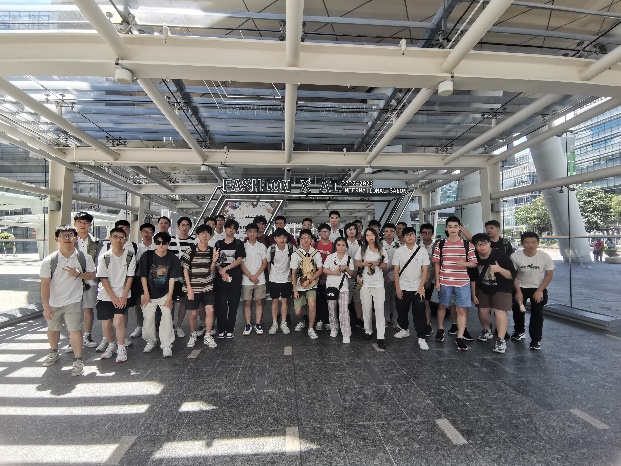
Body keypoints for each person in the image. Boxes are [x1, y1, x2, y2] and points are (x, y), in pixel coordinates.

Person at [40, 225, 96, 376]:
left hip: (73, 300)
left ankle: (78, 360)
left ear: (75, 238)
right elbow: (45, 285)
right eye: (63, 235)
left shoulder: (83, 257)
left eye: (70, 235)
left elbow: (92, 275)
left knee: (74, 330)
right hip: (54, 302)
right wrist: (46, 306)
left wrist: (78, 274)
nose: (67, 238)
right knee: (53, 329)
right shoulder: (49, 261)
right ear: (56, 239)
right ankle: (53, 352)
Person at [432, 216, 477, 351]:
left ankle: (460, 336)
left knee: (461, 309)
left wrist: (464, 264)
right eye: (450, 226)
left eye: (455, 226)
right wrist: (437, 280)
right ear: (446, 228)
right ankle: (440, 329)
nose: (452, 229)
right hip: (445, 280)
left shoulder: (467, 245)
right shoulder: (440, 244)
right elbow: (437, 263)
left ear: (459, 228)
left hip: (462, 282)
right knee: (442, 305)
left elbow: (474, 263)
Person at [469, 233, 517, 354]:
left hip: (502, 287)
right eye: (478, 244)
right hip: (483, 287)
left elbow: (512, 275)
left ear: (489, 243)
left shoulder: (500, 255)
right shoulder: (474, 257)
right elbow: (473, 277)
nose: (482, 247)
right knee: (482, 310)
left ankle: (500, 340)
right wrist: (473, 294)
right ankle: (486, 331)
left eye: (484, 243)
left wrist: (499, 269)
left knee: (500, 311)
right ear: (475, 246)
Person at [95, 227, 136, 362]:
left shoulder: (130, 256)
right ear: (110, 238)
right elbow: (103, 279)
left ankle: (121, 348)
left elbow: (130, 277)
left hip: (122, 295)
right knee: (106, 324)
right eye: (115, 237)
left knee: (118, 321)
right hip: (105, 295)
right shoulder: (104, 257)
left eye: (121, 237)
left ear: (125, 239)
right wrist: (113, 297)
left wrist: (123, 296)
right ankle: (111, 345)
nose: (118, 240)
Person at [139, 231, 182, 357]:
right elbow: (143, 276)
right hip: (148, 293)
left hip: (165, 293)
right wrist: (146, 294)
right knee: (148, 319)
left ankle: (167, 345)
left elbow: (172, 279)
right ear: (154, 243)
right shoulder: (147, 256)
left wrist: (169, 298)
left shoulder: (173, 258)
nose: (161, 245)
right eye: (158, 242)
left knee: (167, 317)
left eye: (164, 242)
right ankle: (151, 341)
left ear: (168, 244)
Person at [511, 232, 555, 350]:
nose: (531, 245)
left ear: (538, 243)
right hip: (520, 286)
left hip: (538, 287)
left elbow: (549, 275)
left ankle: (535, 340)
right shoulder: (515, 256)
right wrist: (518, 291)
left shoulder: (545, 257)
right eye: (527, 242)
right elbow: (513, 275)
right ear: (522, 243)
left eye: (534, 242)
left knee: (537, 313)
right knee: (517, 309)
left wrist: (540, 290)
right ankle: (519, 331)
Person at [181, 224, 218, 349]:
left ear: (211, 236)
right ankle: (193, 335)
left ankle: (208, 335)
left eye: (207, 233)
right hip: (193, 287)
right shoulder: (190, 250)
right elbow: (185, 270)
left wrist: (214, 261)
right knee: (193, 313)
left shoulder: (212, 250)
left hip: (207, 286)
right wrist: (189, 289)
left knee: (210, 310)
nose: (204, 235)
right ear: (197, 235)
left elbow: (211, 271)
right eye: (202, 233)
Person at [393, 226, 430, 350]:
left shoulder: (422, 251)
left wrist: (421, 287)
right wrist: (397, 288)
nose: (410, 237)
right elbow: (396, 270)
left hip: (417, 288)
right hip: (403, 287)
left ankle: (421, 337)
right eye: (407, 235)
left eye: (412, 234)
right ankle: (404, 329)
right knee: (401, 311)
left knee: (419, 313)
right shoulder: (399, 251)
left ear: (415, 236)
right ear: (403, 237)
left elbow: (425, 270)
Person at [354, 227, 389, 349]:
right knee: (366, 308)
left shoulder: (381, 249)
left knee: (379, 309)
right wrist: (365, 263)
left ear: (376, 236)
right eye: (368, 235)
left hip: (378, 284)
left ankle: (381, 336)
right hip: (365, 283)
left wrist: (378, 263)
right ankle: (368, 331)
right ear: (365, 237)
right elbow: (357, 262)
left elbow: (385, 265)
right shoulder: (363, 249)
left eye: (372, 235)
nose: (370, 237)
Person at [73, 211, 102, 350]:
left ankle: (87, 336)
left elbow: (99, 261)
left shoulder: (97, 243)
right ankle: (73, 339)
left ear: (90, 225)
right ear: (75, 224)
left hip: (91, 280)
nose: (83, 225)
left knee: (88, 308)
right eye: (80, 222)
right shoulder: (70, 240)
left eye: (86, 222)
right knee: (73, 310)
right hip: (73, 280)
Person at [214, 219, 246, 338]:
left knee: (233, 303)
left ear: (236, 230)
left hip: (235, 277)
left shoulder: (238, 243)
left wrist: (226, 268)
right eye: (229, 228)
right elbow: (216, 260)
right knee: (221, 303)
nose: (231, 230)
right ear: (225, 228)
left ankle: (230, 329)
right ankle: (221, 329)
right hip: (220, 278)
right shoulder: (218, 243)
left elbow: (239, 260)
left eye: (233, 228)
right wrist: (221, 271)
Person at [291, 229, 323, 339]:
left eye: (308, 238)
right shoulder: (295, 254)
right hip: (299, 285)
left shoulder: (316, 253)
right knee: (297, 311)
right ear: (300, 240)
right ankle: (302, 321)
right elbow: (294, 272)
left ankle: (311, 328)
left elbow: (320, 270)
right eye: (303, 238)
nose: (305, 240)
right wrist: (295, 290)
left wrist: (310, 280)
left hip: (312, 284)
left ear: (311, 240)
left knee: (312, 304)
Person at [323, 237, 354, 343]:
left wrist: (346, 268)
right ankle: (334, 328)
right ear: (335, 246)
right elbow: (324, 269)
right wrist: (333, 273)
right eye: (339, 245)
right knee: (331, 309)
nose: (341, 247)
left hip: (343, 288)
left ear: (346, 247)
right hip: (331, 286)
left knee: (344, 311)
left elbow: (352, 274)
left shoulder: (349, 259)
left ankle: (346, 333)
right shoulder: (330, 257)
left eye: (343, 245)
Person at [169, 216, 196, 338]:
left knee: (184, 302)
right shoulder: (171, 241)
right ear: (178, 226)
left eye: (187, 225)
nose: (185, 227)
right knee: (170, 301)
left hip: (186, 277)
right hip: (172, 278)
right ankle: (170, 325)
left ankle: (179, 326)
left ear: (190, 227)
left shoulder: (193, 242)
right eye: (182, 225)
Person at [129, 223, 156, 339]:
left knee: (155, 302)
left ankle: (154, 326)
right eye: (144, 231)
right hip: (139, 279)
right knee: (139, 303)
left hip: (154, 279)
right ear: (141, 233)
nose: (147, 234)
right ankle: (140, 326)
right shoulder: (136, 247)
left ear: (153, 233)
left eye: (149, 231)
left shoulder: (157, 246)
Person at [241, 223, 268, 335]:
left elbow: (264, 263)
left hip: (260, 279)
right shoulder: (242, 246)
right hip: (246, 279)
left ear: (257, 233)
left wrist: (256, 276)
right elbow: (241, 264)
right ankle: (248, 324)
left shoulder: (262, 246)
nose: (252, 233)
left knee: (259, 301)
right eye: (250, 231)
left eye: (254, 231)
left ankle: (257, 323)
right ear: (246, 233)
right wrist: (250, 276)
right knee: (247, 302)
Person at [267, 228, 294, 334]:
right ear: (275, 239)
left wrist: (292, 274)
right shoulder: (271, 249)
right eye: (279, 237)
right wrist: (270, 274)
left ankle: (283, 323)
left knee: (284, 300)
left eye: (284, 237)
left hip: (286, 279)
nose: (282, 239)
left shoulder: (291, 248)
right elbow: (268, 262)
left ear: (287, 238)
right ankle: (274, 323)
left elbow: (295, 262)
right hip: (274, 278)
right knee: (274, 300)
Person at [314, 223, 333, 331]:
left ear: (330, 233)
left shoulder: (334, 245)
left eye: (326, 231)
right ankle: (319, 320)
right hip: (317, 277)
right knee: (319, 299)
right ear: (319, 233)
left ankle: (328, 320)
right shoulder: (315, 245)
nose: (324, 233)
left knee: (329, 300)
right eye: (322, 231)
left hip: (330, 278)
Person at [381, 222, 400, 329]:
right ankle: (385, 319)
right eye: (387, 231)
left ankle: (396, 321)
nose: (389, 233)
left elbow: (399, 262)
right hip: (382, 276)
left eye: (392, 231)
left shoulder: (399, 246)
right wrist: (385, 276)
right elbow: (378, 262)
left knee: (395, 300)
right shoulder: (379, 245)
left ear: (395, 233)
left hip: (396, 276)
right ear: (383, 232)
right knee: (384, 299)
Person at [344, 222, 363, 326]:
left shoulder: (361, 244)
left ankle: (359, 319)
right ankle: (346, 319)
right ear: (345, 231)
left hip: (358, 275)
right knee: (346, 299)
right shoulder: (343, 243)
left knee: (357, 298)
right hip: (345, 275)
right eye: (349, 229)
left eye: (354, 229)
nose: (352, 231)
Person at [419, 223, 436, 337]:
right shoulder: (417, 246)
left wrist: (429, 281)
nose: (426, 235)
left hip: (429, 279)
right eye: (424, 233)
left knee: (426, 302)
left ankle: (427, 325)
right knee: (417, 303)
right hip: (416, 279)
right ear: (421, 234)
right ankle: (419, 324)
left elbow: (435, 266)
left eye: (429, 233)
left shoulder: (435, 247)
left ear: (432, 233)